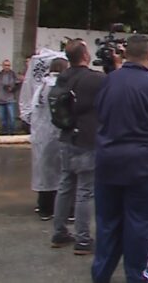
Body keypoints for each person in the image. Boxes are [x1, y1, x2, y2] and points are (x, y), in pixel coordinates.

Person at [91, 35, 148, 283]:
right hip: (147, 168)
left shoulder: (108, 82)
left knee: (108, 228)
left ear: (125, 55)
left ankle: (100, 276)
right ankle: (138, 277)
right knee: (141, 228)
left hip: (108, 166)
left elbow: (100, 113)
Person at [50, 39, 105, 255]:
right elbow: (114, 84)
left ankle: (59, 232)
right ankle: (82, 239)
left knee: (65, 185)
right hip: (87, 139)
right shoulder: (93, 78)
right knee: (85, 191)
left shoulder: (62, 77)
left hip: (66, 136)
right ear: (85, 56)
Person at [23, 58, 68, 220]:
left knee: (44, 171)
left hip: (42, 135)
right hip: (57, 134)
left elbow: (33, 111)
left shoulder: (41, 86)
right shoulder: (62, 86)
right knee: (62, 172)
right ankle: (63, 208)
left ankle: (44, 207)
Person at [0, 59, 21, 135]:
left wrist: (12, 89)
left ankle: (12, 130)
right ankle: (4, 130)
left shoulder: (13, 74)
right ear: (3, 66)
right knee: (2, 117)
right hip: (1, 98)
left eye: (8, 65)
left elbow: (18, 84)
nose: (7, 67)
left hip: (10, 98)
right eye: (5, 65)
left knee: (11, 116)